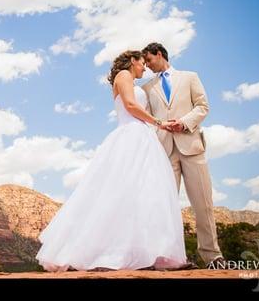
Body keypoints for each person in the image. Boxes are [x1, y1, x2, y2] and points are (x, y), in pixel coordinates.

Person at [35, 50, 189, 272]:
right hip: (132, 136)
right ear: (132, 61)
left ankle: (144, 253)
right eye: (142, 63)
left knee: (144, 195)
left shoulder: (130, 79)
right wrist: (159, 123)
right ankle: (112, 253)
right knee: (122, 193)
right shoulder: (123, 76)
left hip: (142, 137)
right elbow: (131, 105)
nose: (144, 67)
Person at [141, 42, 224, 268]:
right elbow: (147, 119)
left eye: (148, 60)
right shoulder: (147, 88)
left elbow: (202, 106)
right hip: (165, 152)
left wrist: (184, 123)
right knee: (163, 206)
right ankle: (165, 257)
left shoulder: (189, 77)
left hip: (192, 148)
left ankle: (212, 256)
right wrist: (160, 129)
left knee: (203, 204)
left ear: (160, 54)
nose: (147, 66)